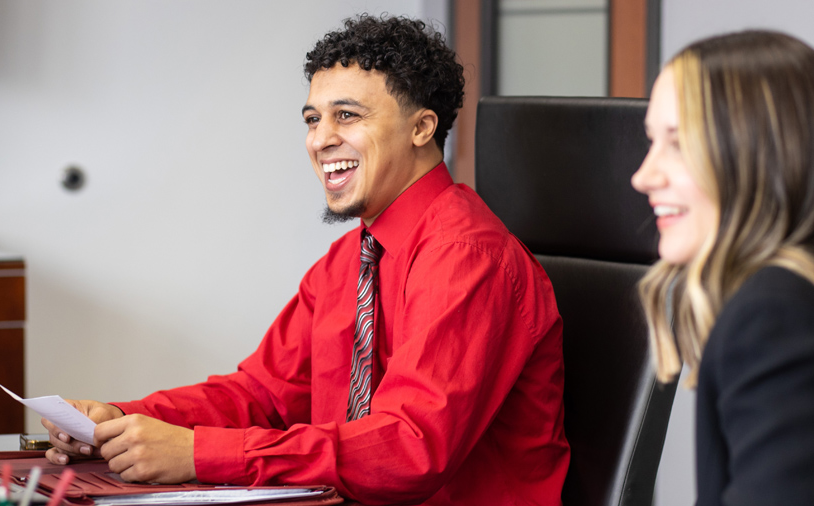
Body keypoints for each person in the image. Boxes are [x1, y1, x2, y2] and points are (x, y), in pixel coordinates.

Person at [42, 14, 569, 505]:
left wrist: (198, 453)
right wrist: (124, 423)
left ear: (421, 128)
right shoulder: (350, 260)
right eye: (312, 119)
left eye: (347, 116)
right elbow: (263, 396)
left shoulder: (467, 257)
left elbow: (411, 446)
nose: (320, 140)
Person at [632, 30, 814, 506]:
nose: (643, 176)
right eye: (652, 141)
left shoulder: (771, 314)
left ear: (760, 150)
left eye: (678, 143)